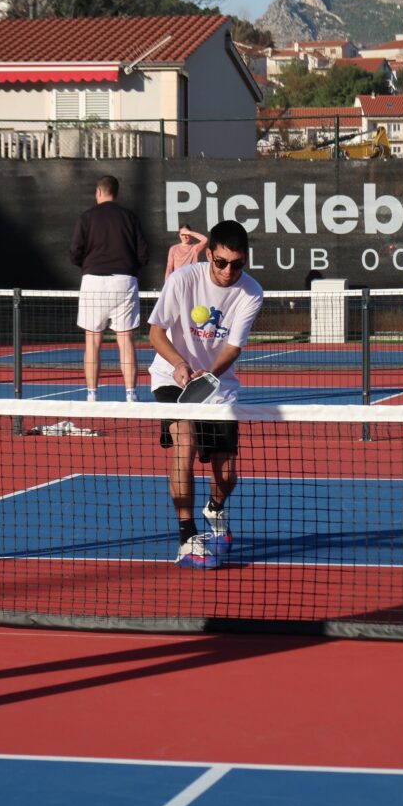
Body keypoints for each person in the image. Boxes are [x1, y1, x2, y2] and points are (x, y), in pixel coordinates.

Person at [148, 219, 263, 569]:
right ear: (209, 254)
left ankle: (215, 509)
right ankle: (187, 538)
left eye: (237, 264)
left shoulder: (251, 292)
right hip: (172, 376)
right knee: (185, 440)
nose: (229, 271)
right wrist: (180, 364)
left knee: (226, 476)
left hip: (218, 384)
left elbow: (232, 349)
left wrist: (209, 375)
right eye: (222, 262)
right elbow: (155, 333)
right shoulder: (183, 280)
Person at [70, 175, 149, 401]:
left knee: (92, 340)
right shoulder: (129, 217)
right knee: (125, 339)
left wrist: (89, 266)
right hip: (124, 282)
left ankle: (92, 395)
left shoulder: (87, 217)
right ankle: (131, 394)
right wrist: (128, 269)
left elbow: (75, 252)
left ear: (98, 192)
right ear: (116, 193)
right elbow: (143, 253)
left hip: (93, 282)